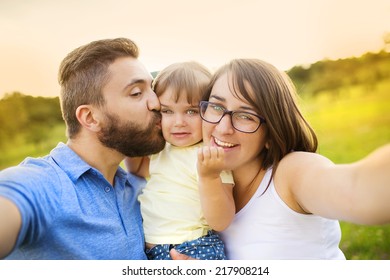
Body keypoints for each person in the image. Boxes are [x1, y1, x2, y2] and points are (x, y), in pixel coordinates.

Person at [173, 58, 390, 260]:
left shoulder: (291, 173)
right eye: (217, 107)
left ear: (271, 132)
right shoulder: (200, 184)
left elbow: (359, 189)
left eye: (246, 116)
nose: (222, 127)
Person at [0, 38, 168, 259]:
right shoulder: (44, 184)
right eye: (136, 93)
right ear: (90, 117)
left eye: (152, 89)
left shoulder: (137, 189)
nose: (157, 103)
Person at [125, 62, 235, 260]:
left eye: (191, 111)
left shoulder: (210, 155)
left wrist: (209, 177)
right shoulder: (161, 149)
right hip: (152, 251)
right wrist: (134, 132)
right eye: (167, 111)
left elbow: (221, 221)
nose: (178, 122)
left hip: (195, 247)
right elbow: (137, 169)